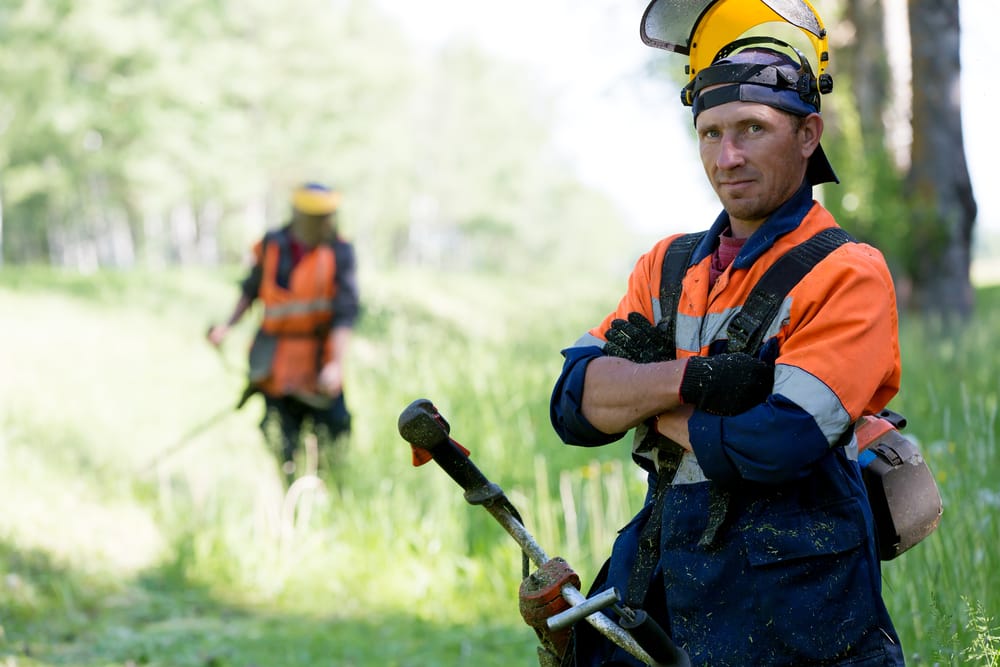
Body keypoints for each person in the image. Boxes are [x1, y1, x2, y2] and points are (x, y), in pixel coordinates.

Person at [544, 41, 906, 667]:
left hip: (800, 602)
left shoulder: (848, 273)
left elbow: (775, 443)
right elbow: (574, 405)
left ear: (806, 135)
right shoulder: (666, 265)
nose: (727, 156)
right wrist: (697, 378)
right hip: (664, 578)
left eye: (752, 130)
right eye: (710, 133)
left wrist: (643, 399)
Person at [208, 182, 360, 482]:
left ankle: (329, 489)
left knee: (334, 431)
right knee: (281, 438)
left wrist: (335, 366)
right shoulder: (272, 245)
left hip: (319, 367)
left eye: (329, 215)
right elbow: (251, 289)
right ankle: (290, 489)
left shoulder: (340, 252)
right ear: (299, 215)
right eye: (319, 216)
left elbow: (345, 313)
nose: (326, 222)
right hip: (275, 366)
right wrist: (227, 326)